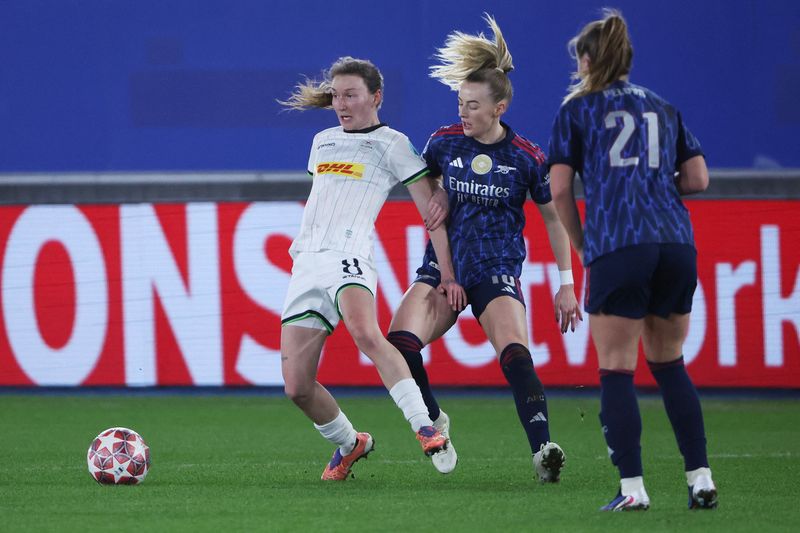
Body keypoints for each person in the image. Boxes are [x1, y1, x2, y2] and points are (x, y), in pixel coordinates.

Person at [387, 15, 582, 481]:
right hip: (442, 269)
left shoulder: (527, 158)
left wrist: (566, 284)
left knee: (515, 352)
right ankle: (435, 421)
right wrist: (437, 201)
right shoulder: (443, 143)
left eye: (473, 106)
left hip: (495, 270)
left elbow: (553, 218)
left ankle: (543, 452)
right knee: (400, 344)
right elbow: (429, 192)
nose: (463, 113)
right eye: (460, 103)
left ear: (500, 107)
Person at [548, 9, 718, 511]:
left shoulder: (577, 110)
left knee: (617, 370)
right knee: (669, 364)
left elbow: (559, 189)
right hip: (675, 243)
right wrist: (652, 186)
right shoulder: (663, 107)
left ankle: (633, 490)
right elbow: (699, 180)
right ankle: (701, 479)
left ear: (585, 59)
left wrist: (582, 245)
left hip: (619, 243)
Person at [278, 56, 467, 481]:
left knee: (367, 333)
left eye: (351, 95)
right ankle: (351, 443)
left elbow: (431, 212)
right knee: (296, 386)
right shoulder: (323, 141)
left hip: (351, 257)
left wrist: (448, 274)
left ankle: (427, 427)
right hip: (306, 263)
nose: (341, 103)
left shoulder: (393, 143)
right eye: (336, 95)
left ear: (375, 97)